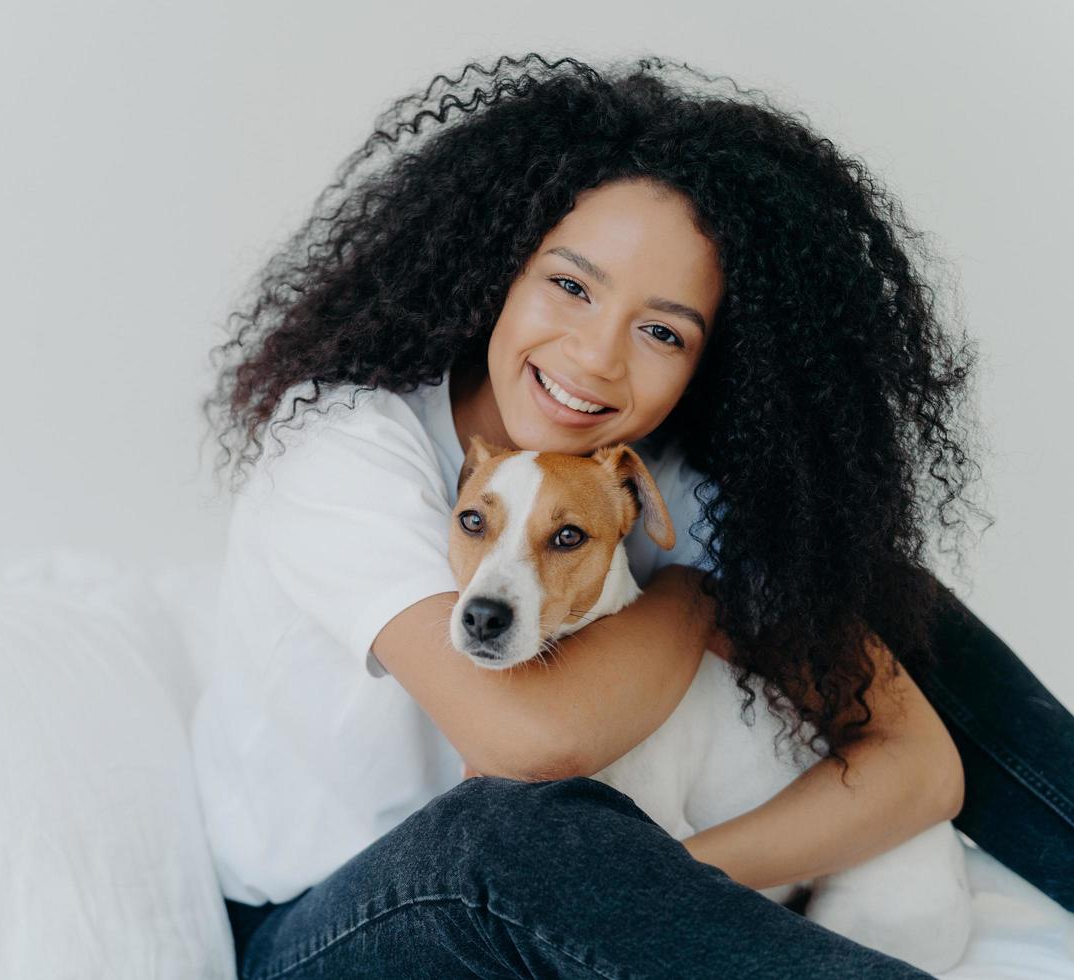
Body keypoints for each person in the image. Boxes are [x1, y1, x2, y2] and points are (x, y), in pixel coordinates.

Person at [190, 53, 1074, 978]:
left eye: (663, 331)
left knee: (865, 587)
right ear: (500, 266)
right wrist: (695, 600)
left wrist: (669, 886)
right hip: (326, 924)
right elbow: (529, 746)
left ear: (711, 364)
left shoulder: (662, 481)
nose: (596, 356)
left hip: (570, 884)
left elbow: (920, 769)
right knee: (510, 828)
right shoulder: (342, 444)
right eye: (570, 285)